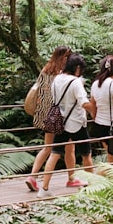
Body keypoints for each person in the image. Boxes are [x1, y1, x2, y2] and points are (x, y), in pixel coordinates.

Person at [38, 53, 97, 195]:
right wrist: (94, 109)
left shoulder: (56, 79)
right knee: (86, 155)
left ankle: (44, 188)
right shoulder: (76, 82)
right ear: (77, 68)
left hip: (60, 122)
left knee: (54, 154)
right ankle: (92, 186)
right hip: (76, 123)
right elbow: (83, 103)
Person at [25, 46, 71, 191]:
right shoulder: (60, 73)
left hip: (45, 113)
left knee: (48, 147)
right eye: (67, 57)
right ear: (63, 57)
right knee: (65, 147)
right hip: (56, 114)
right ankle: (71, 178)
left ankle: (32, 176)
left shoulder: (46, 69)